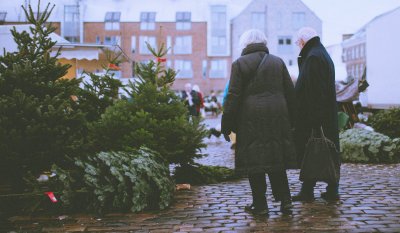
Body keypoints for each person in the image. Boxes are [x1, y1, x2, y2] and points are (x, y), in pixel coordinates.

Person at [221, 29, 297, 215]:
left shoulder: (240, 63)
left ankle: (260, 205)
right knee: (276, 159)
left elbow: (234, 95)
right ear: (264, 43)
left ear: (245, 44)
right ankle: (286, 201)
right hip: (277, 117)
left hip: (250, 118)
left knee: (254, 162)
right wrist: (292, 120)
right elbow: (290, 93)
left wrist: (227, 123)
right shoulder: (278, 62)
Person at [292, 27, 340, 202]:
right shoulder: (321, 54)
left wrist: (314, 119)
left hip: (315, 116)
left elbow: (313, 92)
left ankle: (312, 190)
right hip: (323, 114)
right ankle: (324, 189)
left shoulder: (313, 57)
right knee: (324, 150)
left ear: (303, 41)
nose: (298, 46)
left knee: (313, 150)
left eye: (298, 43)